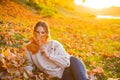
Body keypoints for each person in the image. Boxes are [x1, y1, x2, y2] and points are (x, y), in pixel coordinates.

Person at [24, 21, 89, 80]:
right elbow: (29, 63)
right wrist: (28, 71)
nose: (40, 35)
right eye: (37, 32)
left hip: (72, 63)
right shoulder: (29, 48)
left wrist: (49, 56)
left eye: (42, 33)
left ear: (46, 34)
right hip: (62, 74)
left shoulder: (54, 44)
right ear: (34, 33)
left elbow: (66, 63)